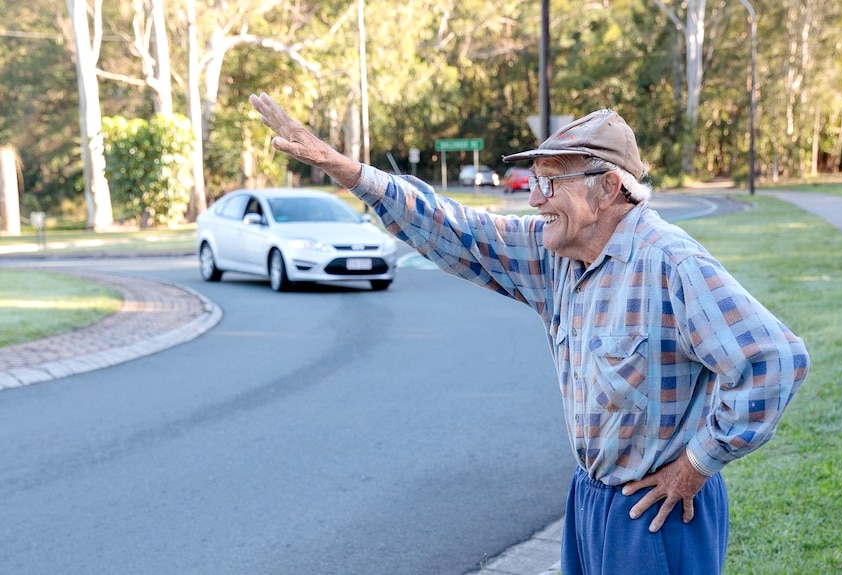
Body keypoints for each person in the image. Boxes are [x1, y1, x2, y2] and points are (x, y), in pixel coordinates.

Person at [249, 93, 809, 575]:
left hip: (656, 514)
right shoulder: (557, 258)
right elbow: (455, 229)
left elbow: (774, 361)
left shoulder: (672, 265)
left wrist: (697, 464)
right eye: (535, 182)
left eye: (550, 182)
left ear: (608, 187)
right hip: (590, 501)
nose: (534, 198)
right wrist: (346, 170)